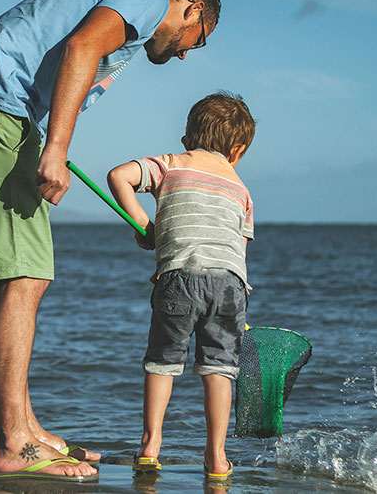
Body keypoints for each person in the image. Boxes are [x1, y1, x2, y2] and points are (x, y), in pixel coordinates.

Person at [0, 0, 223, 483]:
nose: (188, 52)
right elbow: (80, 48)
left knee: (28, 276)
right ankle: (13, 444)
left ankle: (26, 430)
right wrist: (56, 150)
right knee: (23, 276)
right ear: (190, 7)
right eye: (199, 39)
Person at [104, 91, 256, 481]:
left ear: (187, 137)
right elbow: (236, 254)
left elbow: (118, 176)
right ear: (237, 149)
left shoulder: (171, 164)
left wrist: (143, 226)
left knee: (162, 362)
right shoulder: (240, 189)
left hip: (178, 280)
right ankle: (217, 458)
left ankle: (150, 446)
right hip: (230, 284)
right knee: (219, 369)